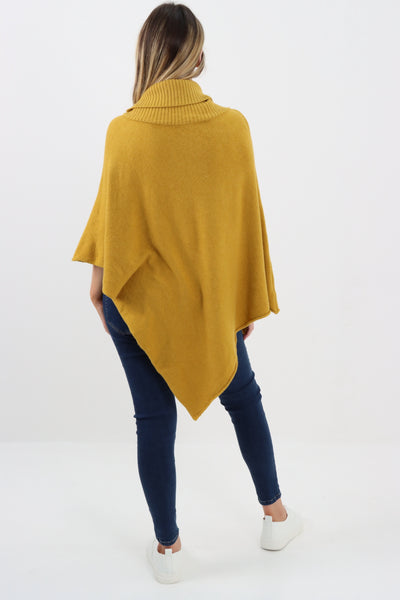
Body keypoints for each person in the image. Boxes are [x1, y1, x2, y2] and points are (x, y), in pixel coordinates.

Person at [72, 2, 304, 584]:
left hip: (135, 302)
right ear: (197, 56)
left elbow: (113, 227)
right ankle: (276, 517)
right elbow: (243, 224)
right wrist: (241, 297)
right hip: (207, 305)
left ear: (147, 53)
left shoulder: (123, 131)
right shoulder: (232, 127)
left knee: (153, 418)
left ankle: (168, 549)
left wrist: (100, 289)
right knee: (243, 396)